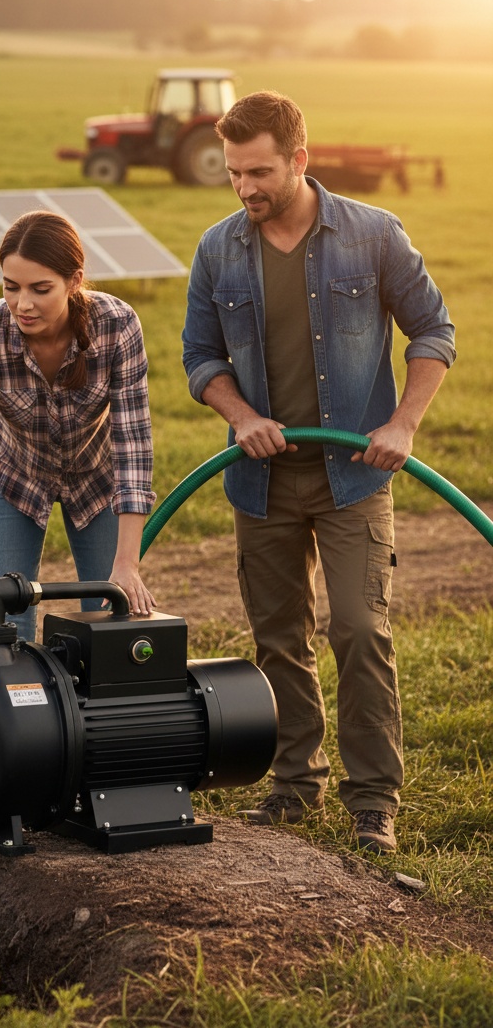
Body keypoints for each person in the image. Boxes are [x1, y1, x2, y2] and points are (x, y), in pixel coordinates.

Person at [182, 91, 455, 854]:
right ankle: (296, 784)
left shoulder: (372, 236)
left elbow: (434, 328)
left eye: (260, 171)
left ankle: (374, 804)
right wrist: (240, 417)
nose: (245, 189)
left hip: (352, 477)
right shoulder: (218, 249)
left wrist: (402, 423)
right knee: (278, 639)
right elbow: (199, 358)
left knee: (361, 631)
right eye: (234, 174)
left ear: (300, 159)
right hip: (261, 480)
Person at [0, 209, 157, 641]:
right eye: (10, 287)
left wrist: (127, 564)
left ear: (75, 281)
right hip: (11, 476)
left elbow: (133, 445)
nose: (23, 304)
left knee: (115, 615)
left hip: (97, 480)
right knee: (2, 620)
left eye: (41, 289)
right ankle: (20, 705)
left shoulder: (118, 325)